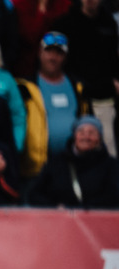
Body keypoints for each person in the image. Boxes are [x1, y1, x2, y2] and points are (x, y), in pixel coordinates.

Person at [15, 31, 89, 181]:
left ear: (65, 57)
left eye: (58, 53)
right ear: (40, 53)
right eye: (48, 51)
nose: (53, 57)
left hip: (74, 167)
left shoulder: (78, 86)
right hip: (36, 169)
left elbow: (85, 119)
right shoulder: (24, 87)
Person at [53, 0, 119, 155]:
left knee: (109, 149)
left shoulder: (109, 22)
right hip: (73, 94)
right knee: (75, 146)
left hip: (103, 96)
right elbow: (55, 57)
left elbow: (114, 59)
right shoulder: (65, 23)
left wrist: (115, 81)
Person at [28, 115, 119, 207]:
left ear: (99, 138)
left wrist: (83, 209)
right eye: (81, 132)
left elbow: (113, 196)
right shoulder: (56, 163)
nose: (86, 137)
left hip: (96, 214)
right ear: (74, 136)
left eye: (91, 133)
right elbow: (35, 194)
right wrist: (55, 207)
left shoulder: (111, 165)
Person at [13, 0, 71, 78]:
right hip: (24, 69)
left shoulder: (65, 5)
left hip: (58, 71)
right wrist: (42, 8)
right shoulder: (19, 5)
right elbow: (30, 36)